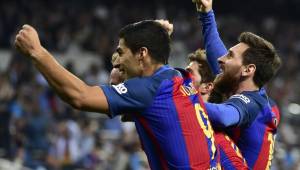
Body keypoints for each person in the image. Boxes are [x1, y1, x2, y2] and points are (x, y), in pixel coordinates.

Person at [15, 21, 219, 169]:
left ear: (142, 54)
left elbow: (80, 97)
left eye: (121, 53)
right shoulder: (177, 76)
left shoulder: (148, 89)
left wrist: (37, 52)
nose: (117, 60)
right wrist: (157, 32)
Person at [193, 0, 281, 169]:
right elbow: (214, 50)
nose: (221, 59)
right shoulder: (245, 85)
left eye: (230, 55)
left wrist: (181, 97)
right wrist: (206, 13)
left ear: (248, 70)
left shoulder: (251, 103)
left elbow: (224, 117)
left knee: (209, 129)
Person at [186, 49, 248, 170]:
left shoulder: (217, 138)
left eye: (189, 73)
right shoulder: (182, 121)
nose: (182, 77)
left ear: (207, 87)